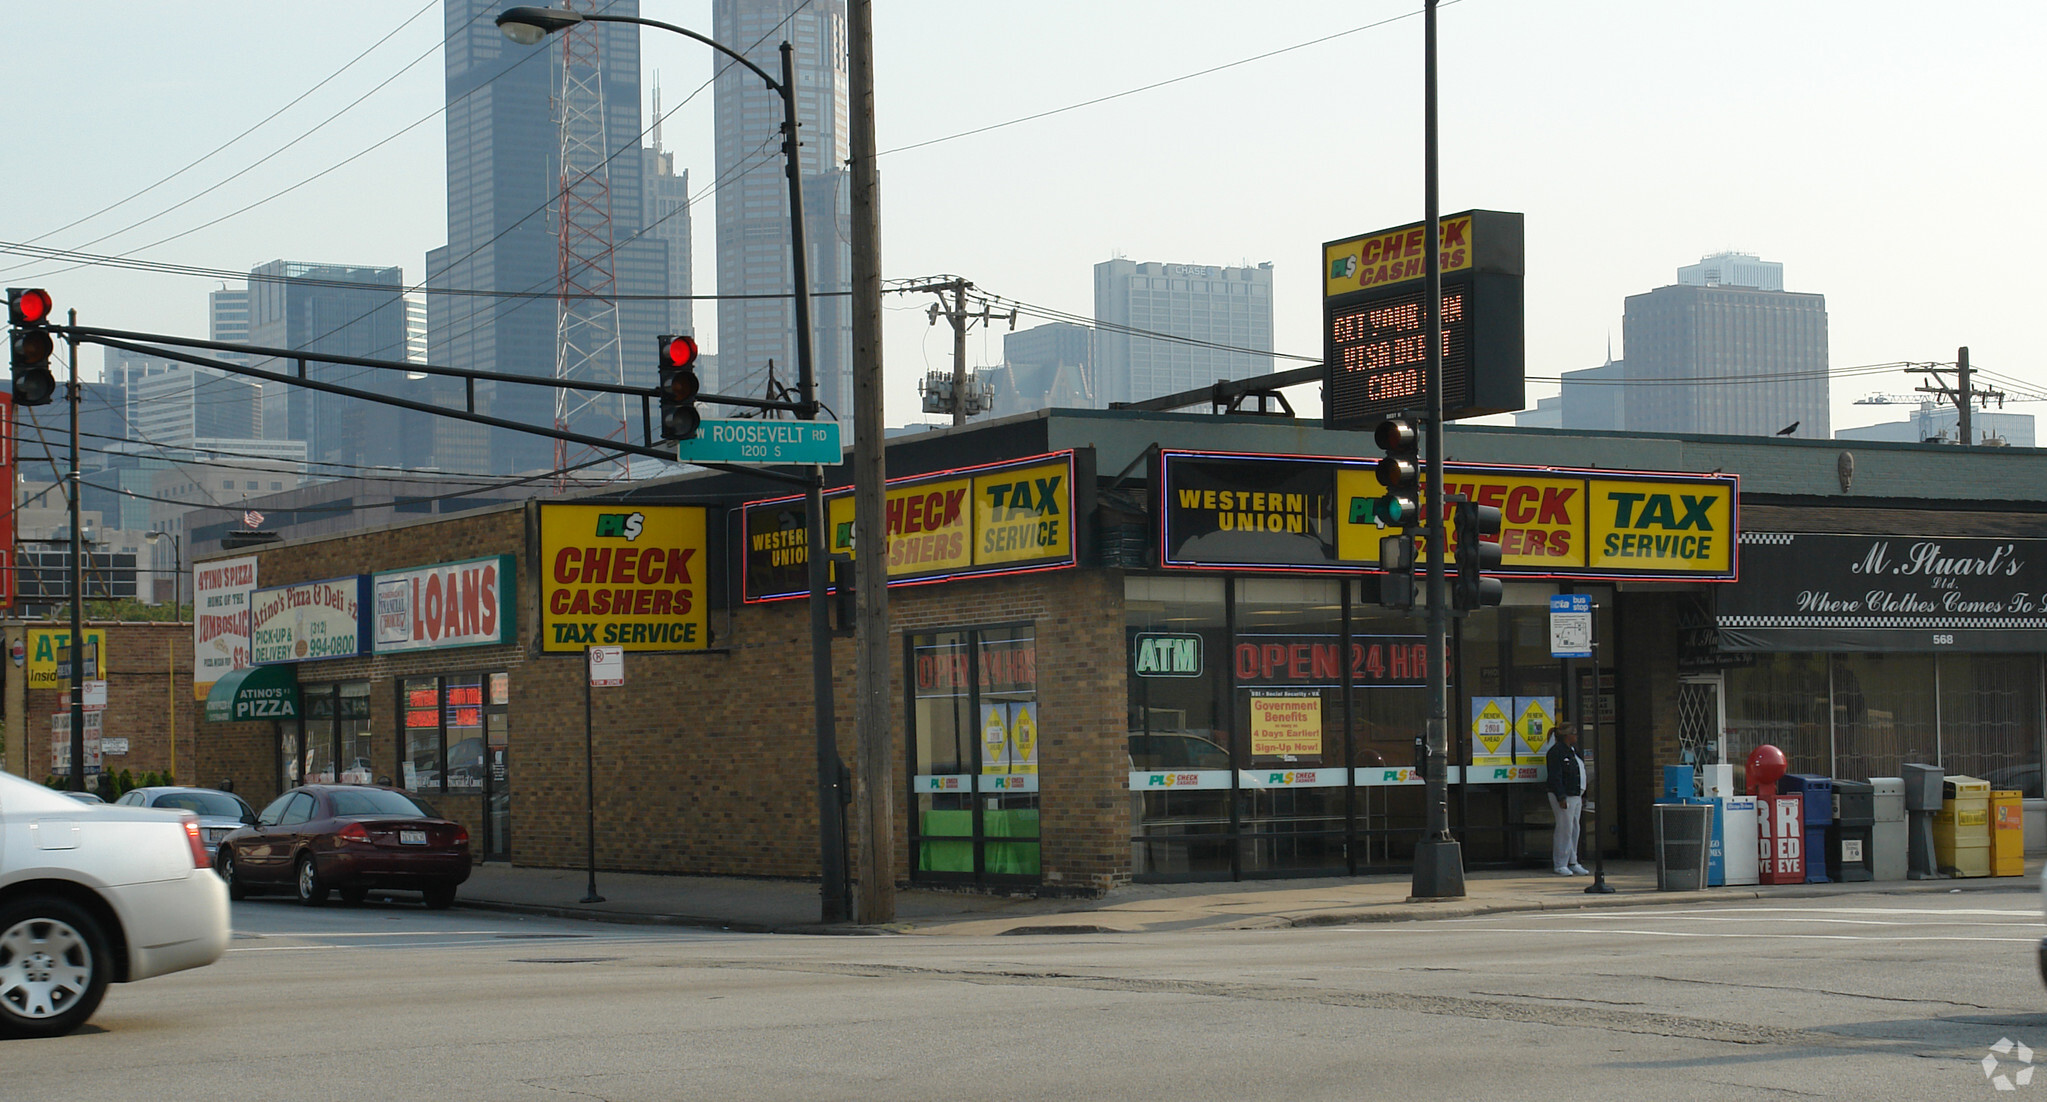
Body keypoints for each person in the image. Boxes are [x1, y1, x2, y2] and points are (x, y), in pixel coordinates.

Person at [1547, 722, 1590, 876]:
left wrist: (1583, 794)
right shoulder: (1556, 752)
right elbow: (1555, 776)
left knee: (1574, 828)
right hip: (1565, 795)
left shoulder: (1573, 751)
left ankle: (1573, 860)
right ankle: (1560, 863)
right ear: (1567, 735)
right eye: (1574, 733)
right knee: (1564, 828)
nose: (1576, 736)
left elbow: (1580, 772)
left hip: (1576, 794)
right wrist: (1561, 796)